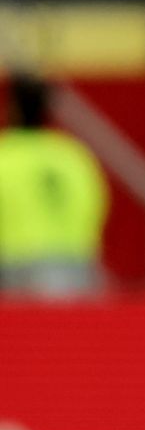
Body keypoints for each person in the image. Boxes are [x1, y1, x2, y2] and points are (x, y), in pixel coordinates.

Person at [0, 76, 110, 297]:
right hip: (76, 270)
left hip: (14, 271)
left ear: (13, 108)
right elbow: (97, 204)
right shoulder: (73, 156)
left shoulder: (5, 155)